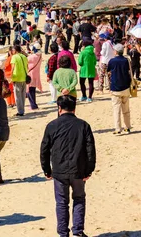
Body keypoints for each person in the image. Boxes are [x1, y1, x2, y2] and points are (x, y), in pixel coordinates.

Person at [40, 95, 96, 237]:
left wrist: (47, 170)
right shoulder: (83, 125)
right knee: (79, 199)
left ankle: (63, 234)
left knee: (61, 203)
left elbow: (44, 150)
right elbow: (90, 150)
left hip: (59, 171)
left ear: (59, 108)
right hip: (79, 170)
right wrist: (89, 170)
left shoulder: (52, 125)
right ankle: (77, 231)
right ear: (74, 108)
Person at [107, 44, 133, 134]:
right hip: (125, 86)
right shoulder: (126, 60)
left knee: (116, 109)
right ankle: (127, 127)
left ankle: (118, 128)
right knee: (126, 109)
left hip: (115, 87)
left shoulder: (112, 61)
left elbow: (108, 71)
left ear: (116, 51)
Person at [10, 45, 28, 116]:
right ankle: (22, 109)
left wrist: (11, 78)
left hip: (17, 77)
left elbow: (13, 68)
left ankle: (20, 111)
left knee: (18, 96)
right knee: (23, 95)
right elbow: (27, 66)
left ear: (15, 50)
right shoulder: (24, 56)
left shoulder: (14, 57)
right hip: (24, 77)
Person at [77, 39, 97, 103]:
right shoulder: (93, 53)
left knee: (82, 82)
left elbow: (80, 62)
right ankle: (90, 97)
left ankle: (84, 95)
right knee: (91, 83)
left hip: (83, 69)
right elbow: (95, 62)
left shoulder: (83, 52)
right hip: (91, 69)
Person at [27, 43, 43, 110]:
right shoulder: (40, 56)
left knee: (30, 91)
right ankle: (33, 104)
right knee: (32, 90)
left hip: (31, 74)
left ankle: (33, 105)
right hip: (36, 74)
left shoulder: (32, 57)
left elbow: (26, 60)